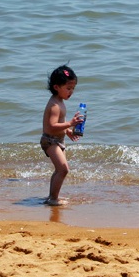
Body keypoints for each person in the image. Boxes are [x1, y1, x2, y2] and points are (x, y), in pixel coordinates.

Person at [40, 65, 84, 206]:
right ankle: (53, 199)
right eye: (68, 88)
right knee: (63, 169)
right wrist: (71, 123)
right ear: (57, 87)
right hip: (50, 140)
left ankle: (52, 197)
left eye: (73, 88)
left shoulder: (60, 101)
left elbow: (60, 122)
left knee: (59, 170)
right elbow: (52, 126)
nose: (71, 92)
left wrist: (68, 131)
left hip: (58, 139)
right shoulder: (54, 105)